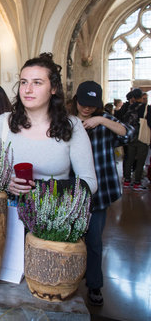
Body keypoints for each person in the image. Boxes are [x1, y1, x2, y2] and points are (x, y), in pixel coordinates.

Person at [0, 53, 97, 197]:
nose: (28, 89)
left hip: (51, 215)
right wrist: (4, 182)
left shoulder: (72, 126)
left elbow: (90, 182)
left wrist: (43, 189)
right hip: (6, 214)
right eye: (23, 82)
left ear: (53, 88)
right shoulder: (3, 123)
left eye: (37, 82)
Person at [69, 81, 135, 306]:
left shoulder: (104, 121)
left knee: (94, 241)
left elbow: (128, 134)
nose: (86, 109)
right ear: (75, 100)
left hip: (99, 192)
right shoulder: (66, 120)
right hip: (71, 190)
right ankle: (66, 280)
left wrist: (102, 120)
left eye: (92, 106)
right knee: (68, 240)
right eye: (83, 104)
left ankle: (95, 284)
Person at [122, 88, 151, 190]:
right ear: (142, 97)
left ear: (133, 97)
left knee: (129, 158)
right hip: (142, 136)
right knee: (140, 160)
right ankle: (137, 182)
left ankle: (127, 180)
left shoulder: (129, 107)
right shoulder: (146, 108)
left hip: (131, 136)